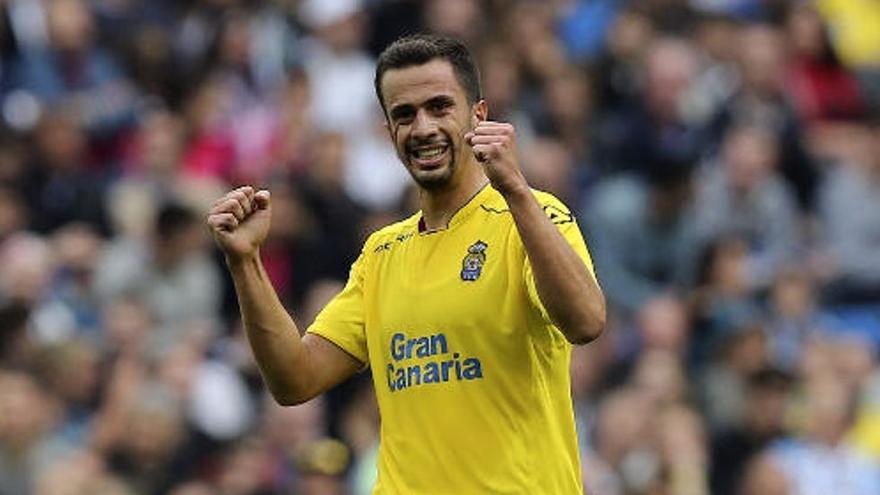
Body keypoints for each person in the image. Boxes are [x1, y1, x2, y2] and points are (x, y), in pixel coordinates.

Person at [206, 34, 606, 494]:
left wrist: (515, 189)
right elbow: (294, 379)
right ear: (389, 131)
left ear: (479, 115)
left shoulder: (532, 215)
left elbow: (587, 321)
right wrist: (245, 263)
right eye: (404, 114)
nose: (422, 127)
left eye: (440, 107)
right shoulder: (382, 253)